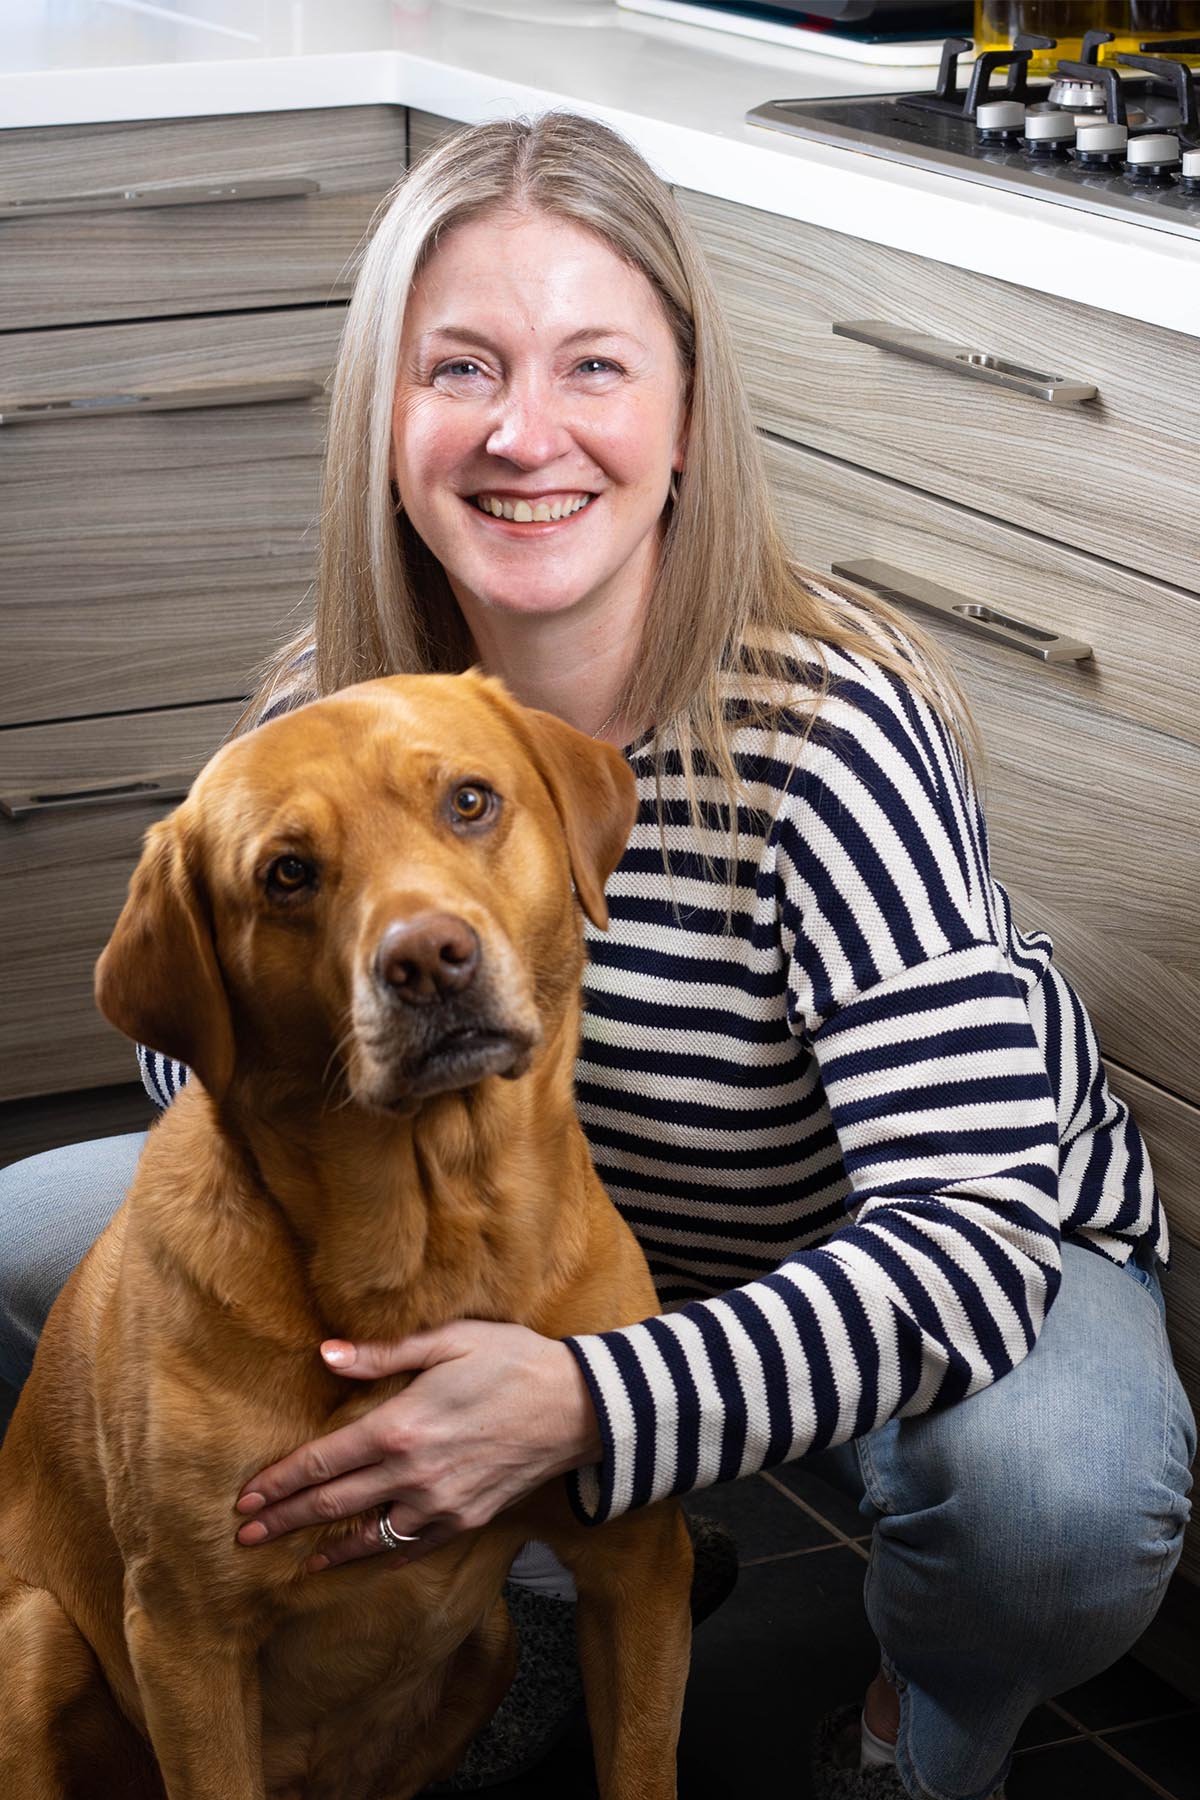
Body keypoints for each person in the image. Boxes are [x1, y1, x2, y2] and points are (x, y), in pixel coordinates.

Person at [0, 112, 1194, 1800]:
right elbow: (186, 1059)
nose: (522, 431)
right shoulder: (324, 703)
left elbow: (971, 1237)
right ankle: (492, 1560)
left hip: (919, 1253)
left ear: (689, 416)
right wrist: (286, 924)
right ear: (386, 421)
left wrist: (591, 1407)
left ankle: (917, 1746)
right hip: (555, 1252)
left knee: (1055, 1496)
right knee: (32, 1245)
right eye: (462, 368)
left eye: (593, 367)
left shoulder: (834, 732)